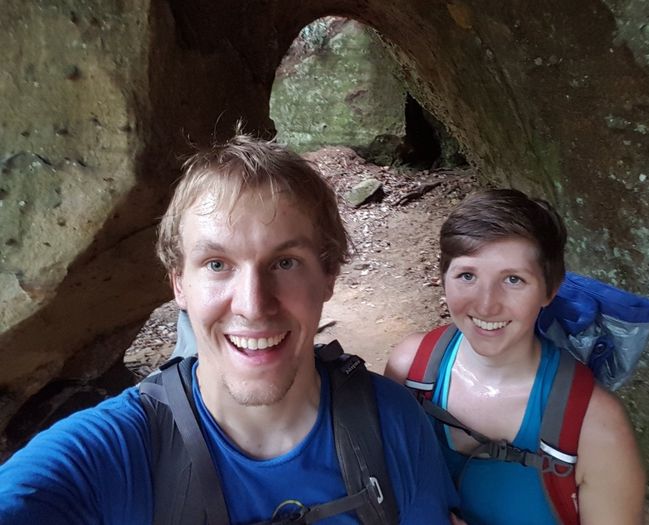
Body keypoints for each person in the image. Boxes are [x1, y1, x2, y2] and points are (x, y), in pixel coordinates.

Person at [0, 130, 460, 524]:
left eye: (285, 262)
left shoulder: (392, 423)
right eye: (217, 264)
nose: (253, 305)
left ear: (328, 277)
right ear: (179, 284)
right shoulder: (112, 452)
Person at [385, 189, 646, 525]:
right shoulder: (409, 370)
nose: (486, 305)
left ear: (550, 289)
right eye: (467, 275)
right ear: (443, 278)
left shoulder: (597, 427)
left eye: (513, 279)